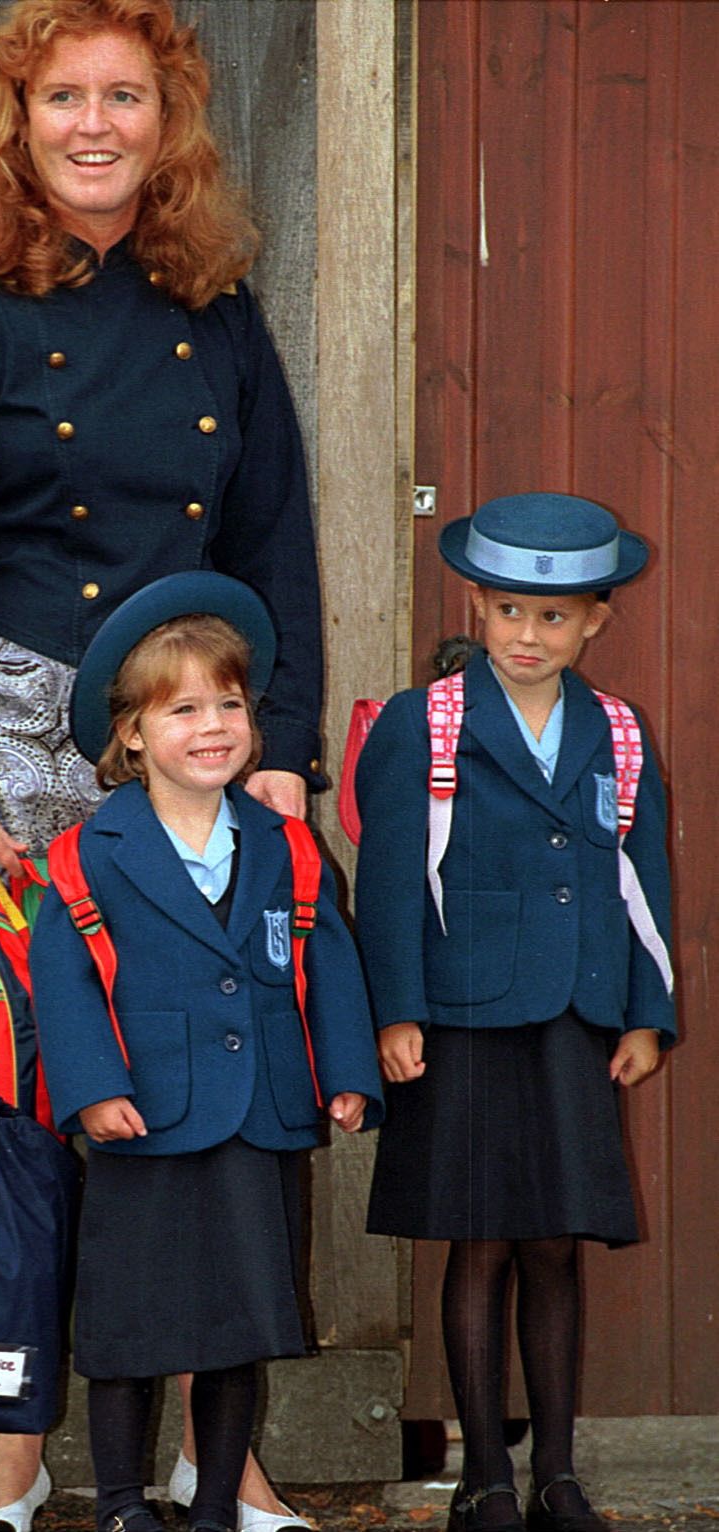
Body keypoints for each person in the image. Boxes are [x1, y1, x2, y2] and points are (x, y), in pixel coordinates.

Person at [0, 2, 325, 1526]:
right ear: (13, 117)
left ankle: (218, 1448)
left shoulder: (219, 298)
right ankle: (13, 1446)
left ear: (166, 118)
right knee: (11, 1106)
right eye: (60, 94)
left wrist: (286, 754)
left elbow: (275, 538)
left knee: (212, 1092)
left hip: (188, 743)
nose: (92, 123)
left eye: (122, 95)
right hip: (5, 743)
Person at [29, 571, 384, 1532]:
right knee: (130, 1325)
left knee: (238, 1322)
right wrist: (91, 1089)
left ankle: (218, 1502)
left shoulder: (285, 845)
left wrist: (345, 1072)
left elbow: (327, 960)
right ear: (132, 734)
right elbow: (62, 985)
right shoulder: (86, 855)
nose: (213, 724)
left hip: (261, 1110)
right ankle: (118, 1505)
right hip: (144, 1116)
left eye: (228, 703)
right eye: (182, 708)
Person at [354, 494, 676, 1532]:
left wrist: (643, 1013)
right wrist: (395, 1010)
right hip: (458, 1017)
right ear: (477, 609)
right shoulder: (426, 720)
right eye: (506, 612)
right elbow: (391, 878)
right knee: (478, 1239)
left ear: (593, 620)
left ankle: (559, 1471)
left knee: (552, 1242)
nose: (526, 636)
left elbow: (642, 882)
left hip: (575, 1018)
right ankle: (485, 1474)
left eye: (552, 616)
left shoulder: (616, 732)